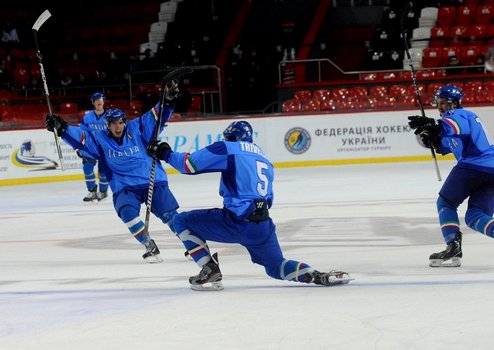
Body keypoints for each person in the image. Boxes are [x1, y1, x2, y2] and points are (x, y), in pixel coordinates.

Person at [146, 121, 352, 291]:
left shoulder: (228, 148)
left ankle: (209, 268)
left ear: (231, 137)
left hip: (236, 222)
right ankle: (316, 276)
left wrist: (164, 152)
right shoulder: (264, 158)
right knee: (276, 267)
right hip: (262, 227)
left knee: (182, 221)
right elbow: (268, 197)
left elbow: (188, 165)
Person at [45, 81, 181, 263]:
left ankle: (192, 245)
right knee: (127, 213)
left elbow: (155, 117)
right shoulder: (99, 138)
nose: (117, 127)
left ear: (125, 122)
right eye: (113, 124)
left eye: (120, 122)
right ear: (107, 125)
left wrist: (168, 101)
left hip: (152, 181)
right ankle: (148, 244)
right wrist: (62, 128)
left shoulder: (137, 128)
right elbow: (82, 138)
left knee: (171, 217)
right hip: (125, 188)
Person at [408, 85, 494, 267]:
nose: (440, 107)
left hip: (474, 166)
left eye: (443, 103)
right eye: (438, 103)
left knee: (445, 203)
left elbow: (452, 127)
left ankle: (453, 245)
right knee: (475, 216)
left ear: (454, 103)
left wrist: (434, 126)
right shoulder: (453, 121)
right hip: (490, 170)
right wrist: (430, 138)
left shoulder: (459, 115)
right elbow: (443, 144)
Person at [78, 92, 110, 202]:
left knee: (103, 171)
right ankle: (92, 191)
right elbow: (81, 133)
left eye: (101, 99)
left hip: (105, 147)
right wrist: (79, 147)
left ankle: (103, 191)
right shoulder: (87, 117)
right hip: (90, 148)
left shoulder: (110, 116)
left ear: (104, 102)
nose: (99, 101)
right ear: (93, 102)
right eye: (96, 100)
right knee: (87, 168)